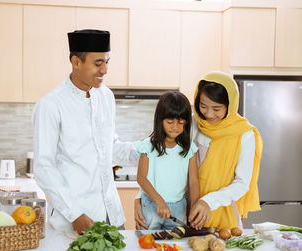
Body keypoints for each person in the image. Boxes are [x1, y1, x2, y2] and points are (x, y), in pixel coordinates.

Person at [32, 29, 138, 235]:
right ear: (76, 62)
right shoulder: (50, 105)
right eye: (98, 63)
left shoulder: (107, 97)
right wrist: (74, 215)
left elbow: (109, 149)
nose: (105, 70)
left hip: (112, 216)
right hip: (76, 220)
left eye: (107, 62)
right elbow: (44, 168)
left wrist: (151, 149)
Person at [134, 71, 263, 230]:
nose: (208, 114)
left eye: (216, 108)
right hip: (185, 213)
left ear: (230, 106)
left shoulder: (245, 134)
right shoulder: (191, 124)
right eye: (203, 106)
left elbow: (242, 184)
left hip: (222, 214)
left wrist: (208, 201)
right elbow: (163, 167)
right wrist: (141, 198)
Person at [135, 91, 199, 230]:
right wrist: (159, 201)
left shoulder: (189, 149)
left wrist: (194, 207)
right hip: (152, 204)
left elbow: (194, 181)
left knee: (177, 246)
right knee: (149, 244)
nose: (175, 127)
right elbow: (141, 178)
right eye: (170, 122)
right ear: (160, 120)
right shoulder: (148, 146)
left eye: (181, 122)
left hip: (179, 206)